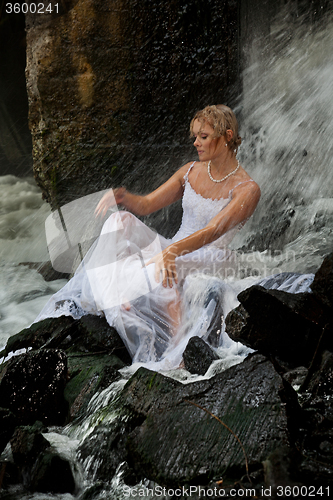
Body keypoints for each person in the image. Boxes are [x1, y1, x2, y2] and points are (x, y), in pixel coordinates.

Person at [35, 105, 261, 370]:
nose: (195, 142)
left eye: (203, 136)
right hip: (176, 244)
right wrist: (122, 197)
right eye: (194, 136)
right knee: (121, 220)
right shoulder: (190, 171)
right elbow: (146, 204)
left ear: (226, 135)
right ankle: (111, 297)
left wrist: (172, 252)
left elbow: (213, 230)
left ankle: (178, 350)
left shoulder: (247, 188)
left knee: (167, 266)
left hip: (210, 255)